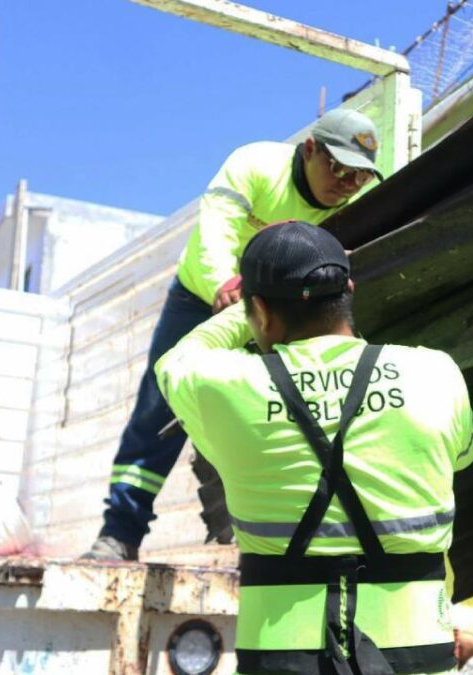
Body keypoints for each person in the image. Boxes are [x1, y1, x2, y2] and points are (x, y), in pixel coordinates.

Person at [155, 221, 473, 674]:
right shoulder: (435, 373)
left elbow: (175, 362)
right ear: (349, 291)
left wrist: (239, 310)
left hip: (281, 658)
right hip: (417, 654)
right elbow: (463, 455)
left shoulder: (225, 385)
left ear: (260, 310)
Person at [84, 109, 384, 561]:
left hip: (288, 311)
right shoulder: (256, 165)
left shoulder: (365, 200)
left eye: (359, 176)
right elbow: (216, 230)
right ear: (309, 150)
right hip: (206, 298)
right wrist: (224, 286)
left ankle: (273, 541)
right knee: (159, 407)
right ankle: (119, 533)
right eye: (339, 168)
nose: (347, 184)